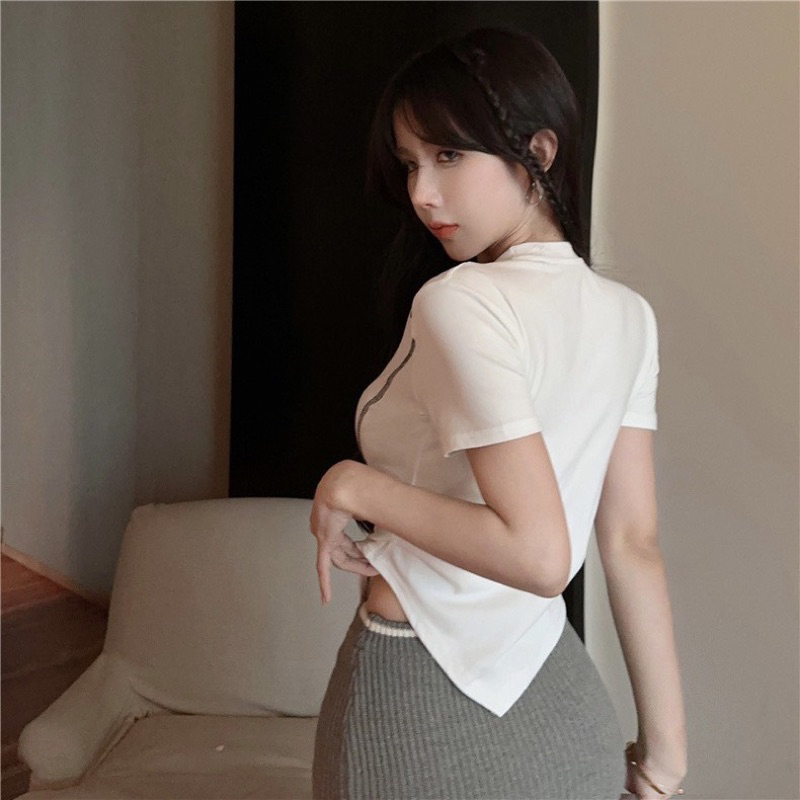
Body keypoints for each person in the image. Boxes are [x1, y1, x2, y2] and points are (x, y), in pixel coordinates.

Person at [309, 26, 687, 800]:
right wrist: (666, 758)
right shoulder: (628, 315)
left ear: (538, 152)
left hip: (419, 696)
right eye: (411, 163)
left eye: (449, 155)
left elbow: (539, 555)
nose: (422, 192)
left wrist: (353, 484)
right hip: (562, 701)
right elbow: (632, 542)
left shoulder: (462, 302)